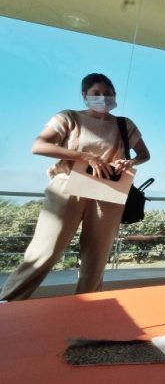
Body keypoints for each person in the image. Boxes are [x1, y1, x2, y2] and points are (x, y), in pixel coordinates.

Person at [1, 73, 150, 301]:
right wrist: (85, 156)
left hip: (108, 191)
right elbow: (39, 146)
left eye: (108, 93)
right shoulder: (69, 117)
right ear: (84, 95)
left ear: (115, 95)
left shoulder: (124, 124)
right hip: (67, 186)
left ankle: (86, 307)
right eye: (96, 93)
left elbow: (144, 154)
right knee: (45, 251)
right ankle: (8, 303)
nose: (103, 98)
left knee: (97, 258)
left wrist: (130, 161)